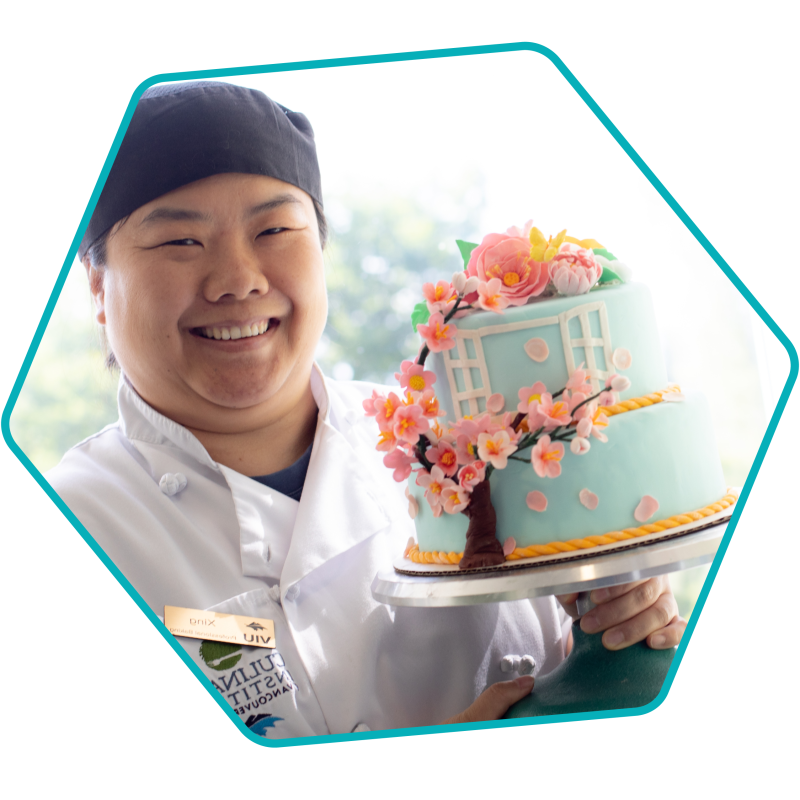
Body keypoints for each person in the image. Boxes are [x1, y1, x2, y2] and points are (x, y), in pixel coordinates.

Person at [47, 81, 686, 739]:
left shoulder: (459, 443)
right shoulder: (85, 518)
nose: (238, 279)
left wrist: (619, 625)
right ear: (98, 285)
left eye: (274, 229)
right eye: (180, 242)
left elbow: (580, 673)